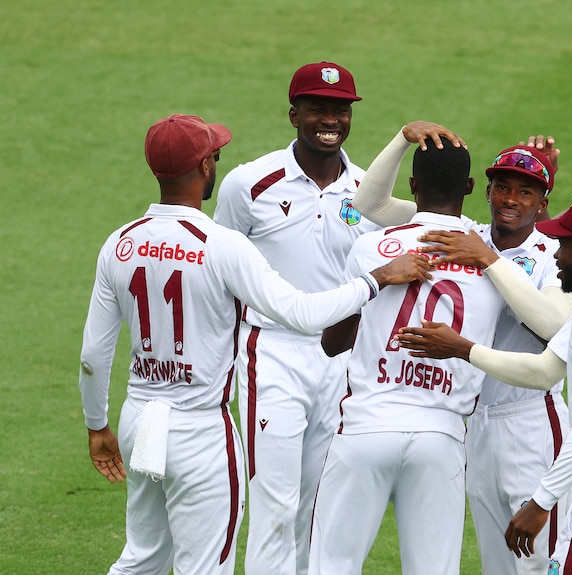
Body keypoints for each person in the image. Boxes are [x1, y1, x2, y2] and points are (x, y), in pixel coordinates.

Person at [78, 113, 432, 575]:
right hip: (199, 430)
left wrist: (96, 426)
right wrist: (377, 278)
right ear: (205, 166)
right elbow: (303, 314)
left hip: (140, 420)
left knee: (142, 557)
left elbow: (91, 355)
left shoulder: (119, 243)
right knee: (206, 564)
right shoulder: (220, 245)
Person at [398, 195, 572, 575]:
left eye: (564, 245)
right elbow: (545, 371)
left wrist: (541, 501)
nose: (555, 255)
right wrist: (465, 350)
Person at [352, 122, 572, 575]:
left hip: (531, 420)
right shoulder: (465, 234)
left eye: (526, 193)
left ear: (543, 203)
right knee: (497, 560)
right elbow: (368, 205)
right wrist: (402, 137)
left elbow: (555, 325)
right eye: (503, 188)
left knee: (541, 560)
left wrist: (490, 262)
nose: (511, 200)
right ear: (485, 191)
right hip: (473, 424)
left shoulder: (552, 255)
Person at [307, 137, 508, 575]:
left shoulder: (371, 247)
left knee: (331, 566)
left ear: (413, 186)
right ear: (472, 187)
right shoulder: (491, 261)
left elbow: (332, 342)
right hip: (441, 437)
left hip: (365, 428)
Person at [212, 61, 379, 575]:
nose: (330, 119)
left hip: (341, 361)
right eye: (316, 109)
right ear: (294, 114)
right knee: (275, 502)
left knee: (320, 502)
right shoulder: (249, 184)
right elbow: (220, 273)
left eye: (340, 109)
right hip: (272, 355)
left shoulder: (368, 190)